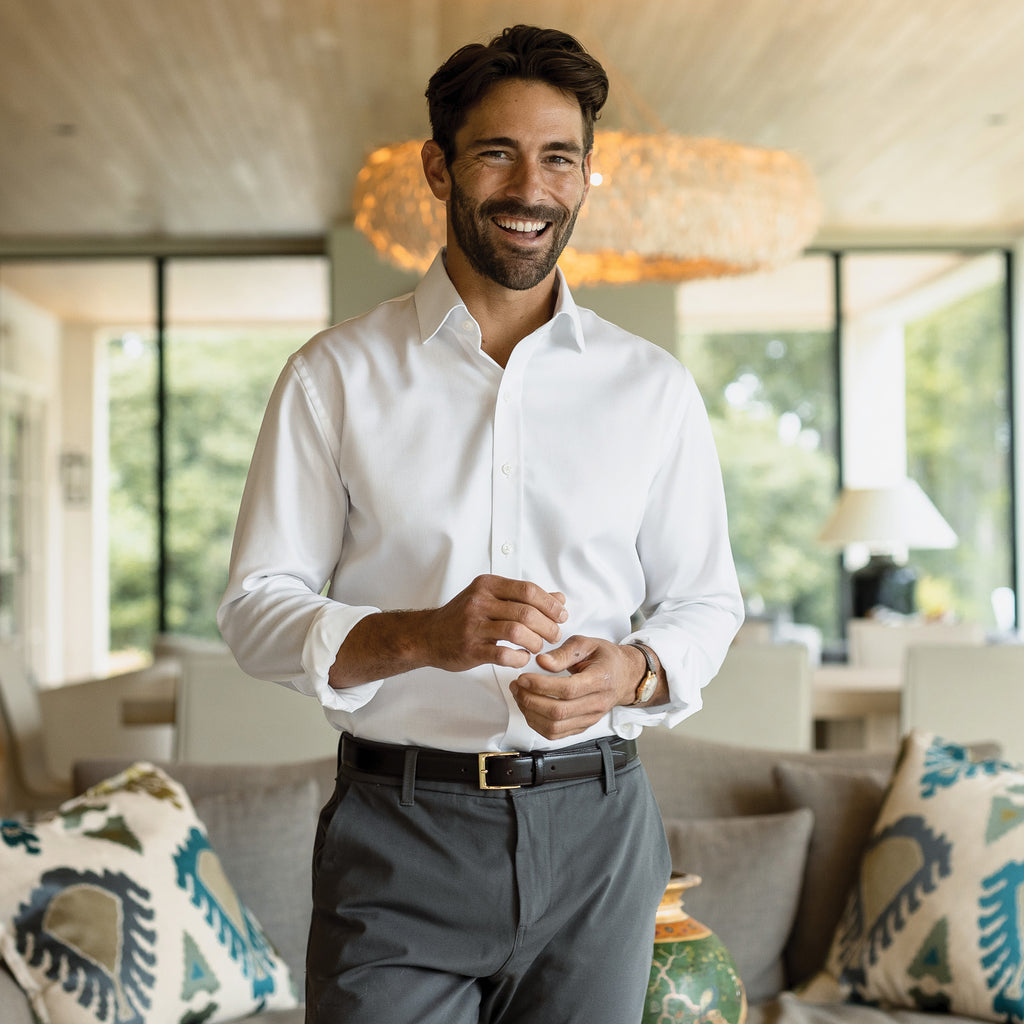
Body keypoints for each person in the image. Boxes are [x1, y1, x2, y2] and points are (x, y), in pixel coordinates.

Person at [217, 23, 743, 1024]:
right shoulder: (334, 377)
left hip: (600, 834)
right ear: (437, 166)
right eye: (496, 151)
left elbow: (704, 601)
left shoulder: (652, 389)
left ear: (587, 176)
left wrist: (631, 671)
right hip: (399, 837)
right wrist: (417, 635)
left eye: (558, 157)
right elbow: (253, 607)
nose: (529, 187)